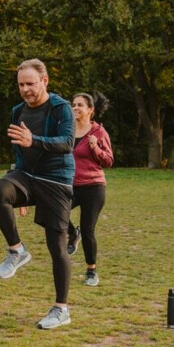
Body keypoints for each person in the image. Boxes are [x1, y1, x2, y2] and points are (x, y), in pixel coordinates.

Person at [0, 58, 75, 329]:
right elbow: (20, 150)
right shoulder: (18, 111)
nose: (25, 89)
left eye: (30, 84)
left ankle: (61, 309)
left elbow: (67, 143)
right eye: (21, 85)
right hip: (26, 175)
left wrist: (34, 140)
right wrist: (17, 187)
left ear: (44, 81)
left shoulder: (61, 108)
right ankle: (17, 251)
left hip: (55, 180)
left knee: (56, 246)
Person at [67, 93, 113, 286]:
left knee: (88, 229)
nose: (75, 108)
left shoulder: (98, 132)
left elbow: (108, 161)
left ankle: (91, 271)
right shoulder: (68, 130)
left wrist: (95, 147)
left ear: (90, 110)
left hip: (93, 187)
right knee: (52, 211)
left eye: (80, 105)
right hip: (70, 185)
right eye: (73, 104)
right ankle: (72, 233)